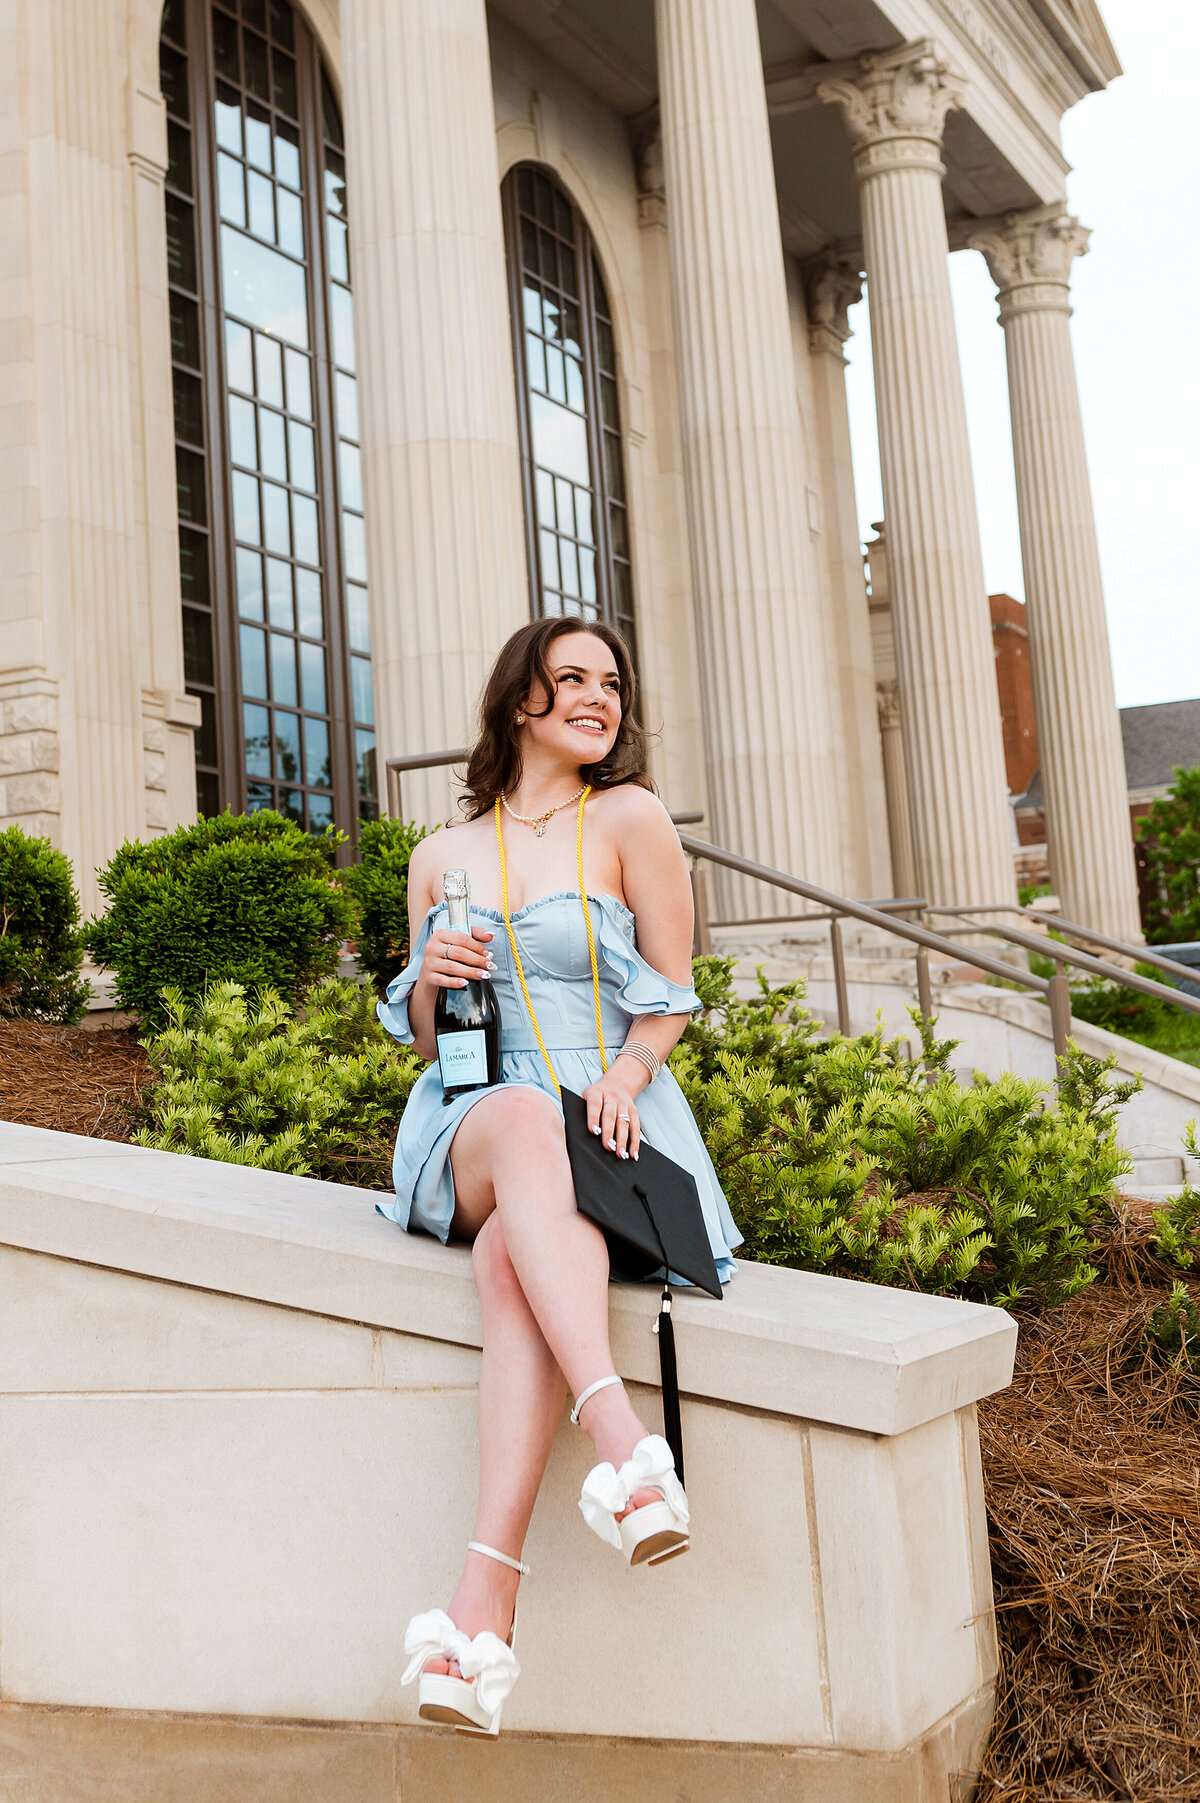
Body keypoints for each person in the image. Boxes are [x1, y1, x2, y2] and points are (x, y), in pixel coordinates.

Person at [377, 615, 740, 1736]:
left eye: (613, 683)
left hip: (612, 1110)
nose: (599, 696)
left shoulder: (629, 819)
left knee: (510, 1265)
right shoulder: (439, 858)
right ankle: (625, 1441)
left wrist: (629, 1075)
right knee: (523, 1115)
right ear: (518, 700)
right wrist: (431, 975)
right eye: (572, 677)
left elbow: (672, 988)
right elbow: (438, 1045)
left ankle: (481, 1613)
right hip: (478, 1120)